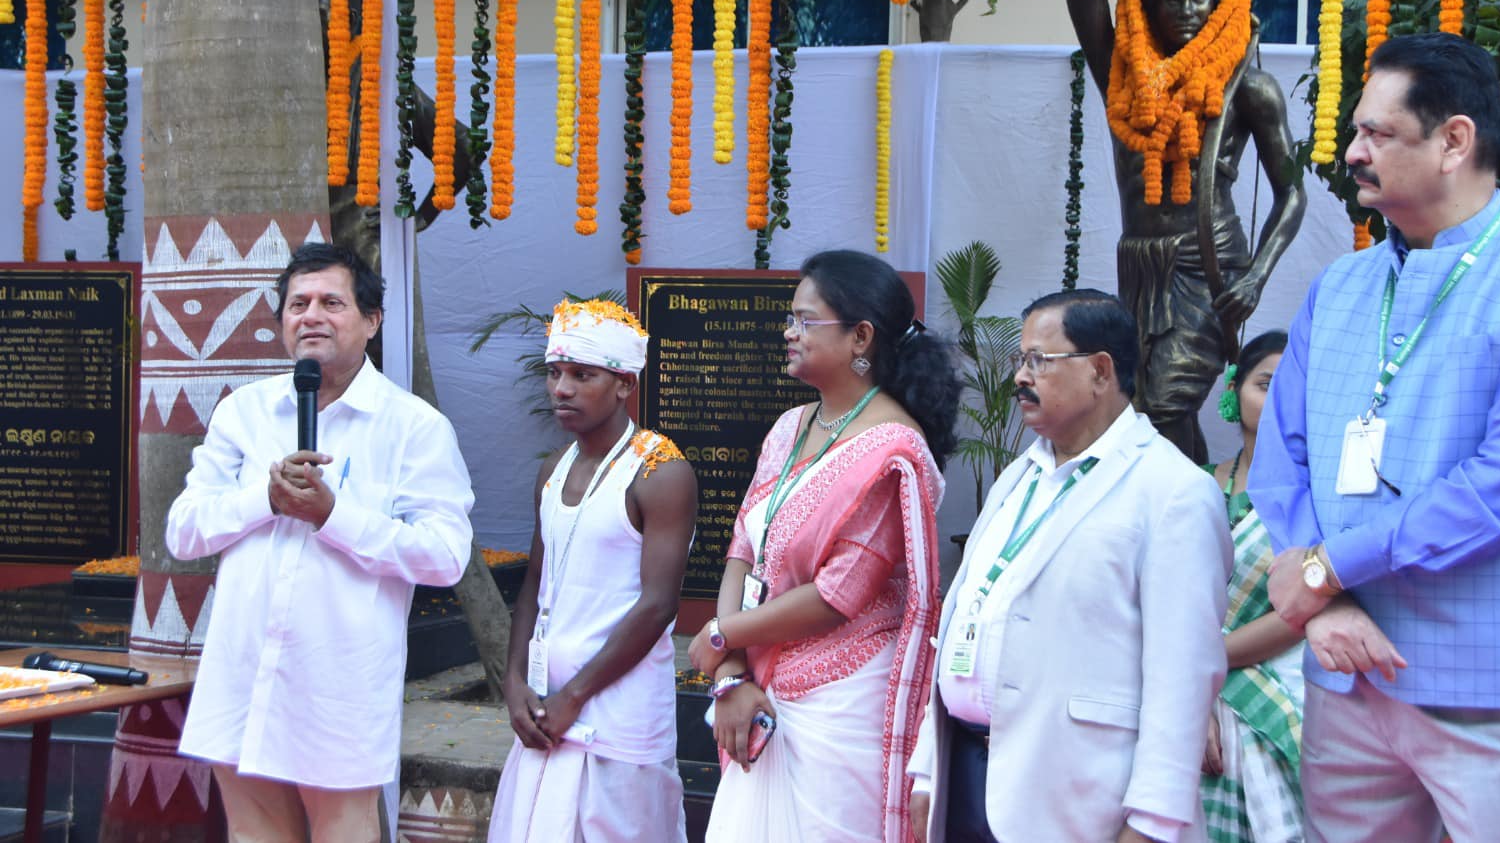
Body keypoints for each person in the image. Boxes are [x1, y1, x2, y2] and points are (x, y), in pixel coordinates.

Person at [1250, 33, 1500, 841]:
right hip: (1346, 673)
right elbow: (1281, 462)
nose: (1353, 152)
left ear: (1454, 141)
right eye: (1356, 131)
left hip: (1488, 685)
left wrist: (1324, 569)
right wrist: (1322, 600)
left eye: (1378, 133)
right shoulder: (1341, 285)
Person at [167, 241, 474, 842]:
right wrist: (265, 498)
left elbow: (445, 556)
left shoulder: (414, 427)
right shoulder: (245, 413)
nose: (311, 316)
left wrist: (334, 516)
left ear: (372, 320)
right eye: (297, 304)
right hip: (243, 676)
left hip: (339, 686)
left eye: (332, 303)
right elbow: (184, 530)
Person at [908, 289, 1231, 843]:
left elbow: (1183, 677)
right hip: (965, 770)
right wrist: (927, 767)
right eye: (1021, 360)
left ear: (1100, 371)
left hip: (1078, 794)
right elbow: (969, 615)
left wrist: (1154, 822)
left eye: (1039, 360)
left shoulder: (1174, 491)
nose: (1020, 377)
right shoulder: (1021, 475)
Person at [686, 248, 960, 843]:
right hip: (757, 683)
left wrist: (722, 634)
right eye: (791, 319)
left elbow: (838, 595)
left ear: (861, 337)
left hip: (841, 705)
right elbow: (742, 549)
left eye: (806, 321)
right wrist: (730, 674)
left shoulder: (893, 449)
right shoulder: (790, 426)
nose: (789, 332)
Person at [1049, 0, 1306, 463]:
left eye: (1199, 0)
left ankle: (1175, 509)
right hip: (1140, 262)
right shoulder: (1125, 83)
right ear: (1150, 5)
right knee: (1142, 408)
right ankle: (1196, 503)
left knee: (1162, 404)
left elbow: (1291, 193)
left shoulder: (1250, 90)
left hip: (1207, 261)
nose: (1189, 12)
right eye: (1174, 1)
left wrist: (1257, 276)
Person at [486, 299, 698, 843]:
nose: (562, 389)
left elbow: (658, 605)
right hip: (547, 707)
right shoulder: (553, 469)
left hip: (618, 719)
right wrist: (515, 681)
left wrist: (575, 696)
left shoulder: (660, 471)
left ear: (625, 384)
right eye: (555, 373)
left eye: (583, 375)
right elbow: (535, 584)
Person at [1198, 330, 1305, 843]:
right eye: (1265, 384)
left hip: (1277, 685)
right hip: (1187, 686)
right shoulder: (1194, 484)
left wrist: (1199, 669)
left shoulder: (1315, 498)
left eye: (1295, 386)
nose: (1280, 398)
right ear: (1233, 390)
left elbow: (1300, 612)